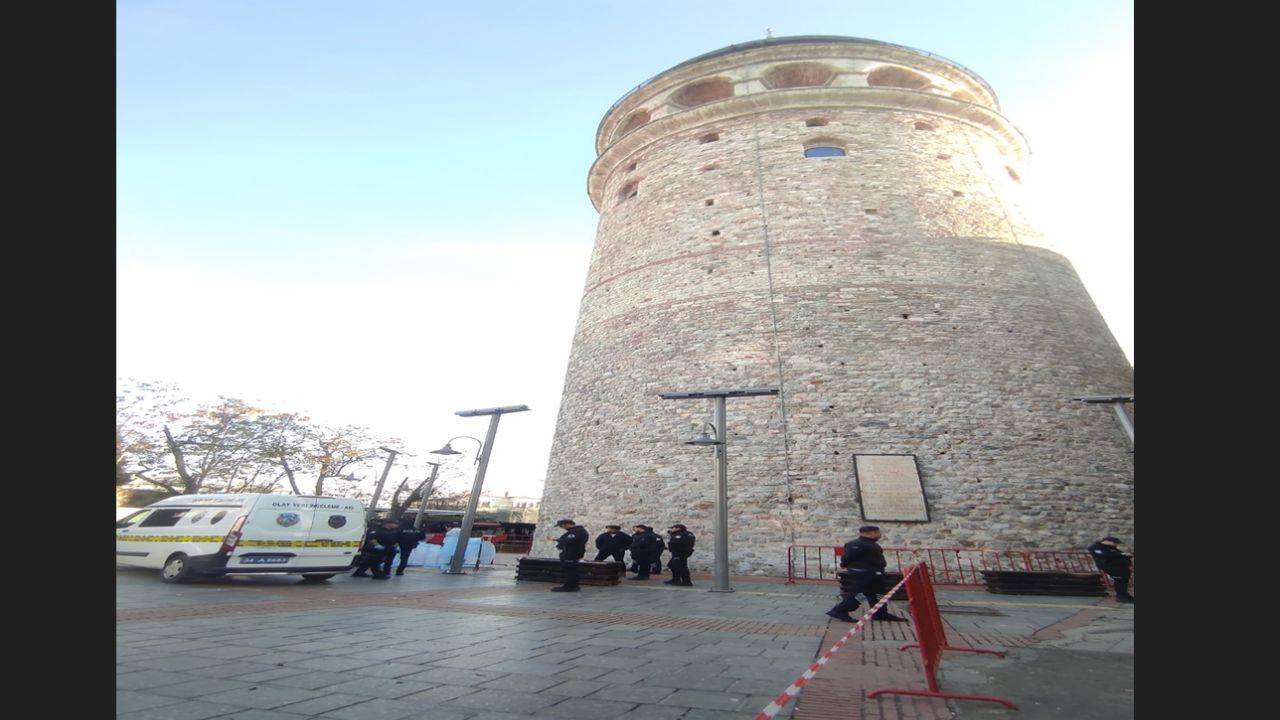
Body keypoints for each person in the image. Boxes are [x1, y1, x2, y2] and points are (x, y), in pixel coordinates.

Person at [825, 526, 907, 622]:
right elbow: (847, 559)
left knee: (878, 594)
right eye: (877, 532)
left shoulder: (871, 544)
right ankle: (840, 610)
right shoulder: (857, 544)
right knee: (861, 594)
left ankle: (880, 613)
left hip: (875, 574)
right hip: (866, 574)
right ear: (870, 533)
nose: (879, 535)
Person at [1088, 536, 1135, 603]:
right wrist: (1121, 555)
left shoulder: (1111, 548)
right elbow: (1104, 555)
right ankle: (1121, 597)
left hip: (1120, 567)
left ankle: (1125, 595)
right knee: (1119, 580)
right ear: (1107, 541)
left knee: (1123, 580)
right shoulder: (1096, 547)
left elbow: (1118, 553)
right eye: (1114, 543)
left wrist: (1124, 555)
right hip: (1111, 566)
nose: (1115, 544)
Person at [549, 518, 588, 592]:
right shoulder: (575, 531)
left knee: (571, 571)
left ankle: (570, 586)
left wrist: (560, 544)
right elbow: (564, 539)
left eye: (561, 526)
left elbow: (568, 541)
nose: (562, 528)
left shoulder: (577, 531)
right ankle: (572, 586)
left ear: (566, 524)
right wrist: (557, 540)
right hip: (572, 553)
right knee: (571, 570)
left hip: (571, 554)